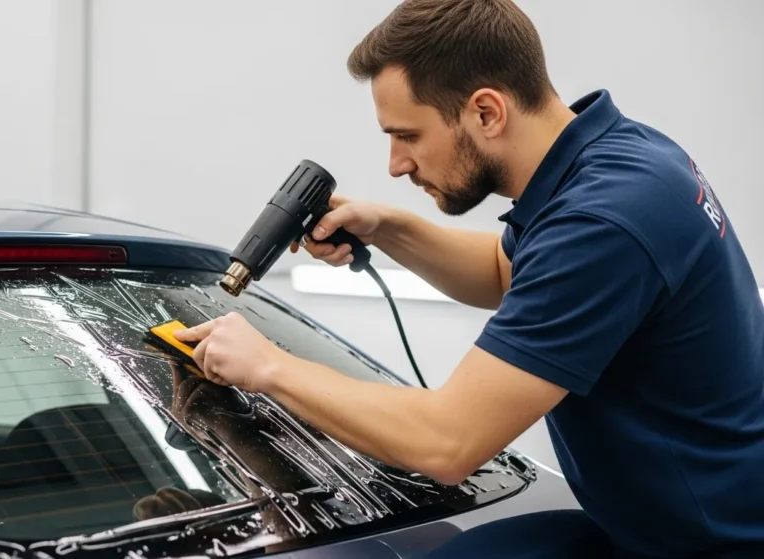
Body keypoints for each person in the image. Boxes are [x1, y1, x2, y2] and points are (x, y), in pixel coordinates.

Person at [172, 0, 764, 557]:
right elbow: (505, 273)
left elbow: (447, 444)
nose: (397, 164)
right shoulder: (617, 158)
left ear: (486, 111)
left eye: (407, 135)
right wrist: (390, 227)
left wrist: (269, 366)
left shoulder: (603, 221)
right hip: (654, 524)